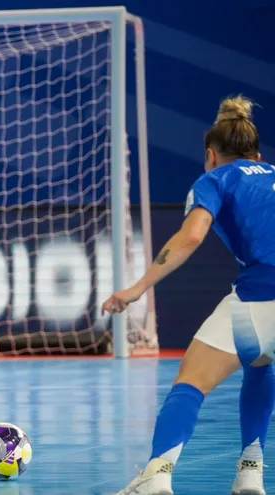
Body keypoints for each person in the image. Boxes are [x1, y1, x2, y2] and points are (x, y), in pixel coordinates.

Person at [104, 95, 271, 495]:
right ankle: (251, 471)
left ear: (210, 155)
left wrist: (136, 289)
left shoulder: (215, 180)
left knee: (191, 382)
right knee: (260, 364)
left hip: (262, 294)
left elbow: (191, 236)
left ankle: (156, 475)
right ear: (259, 154)